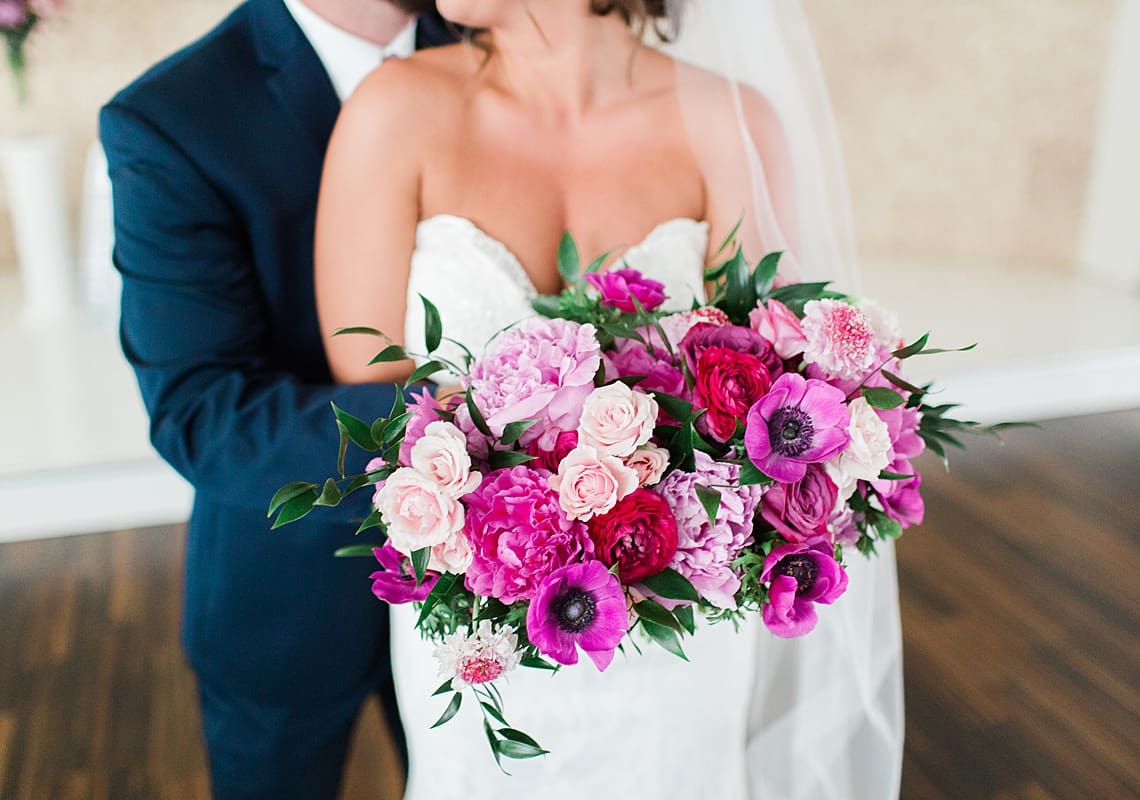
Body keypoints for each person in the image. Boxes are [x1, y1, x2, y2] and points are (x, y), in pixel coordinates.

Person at [315, 1, 905, 798]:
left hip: (674, 626)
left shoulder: (728, 122)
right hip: (480, 623)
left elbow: (769, 377)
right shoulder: (394, 112)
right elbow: (370, 389)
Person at [98, 1, 455, 796]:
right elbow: (203, 410)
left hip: (496, 599)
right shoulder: (172, 119)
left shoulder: (497, 44)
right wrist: (458, 428)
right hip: (290, 595)